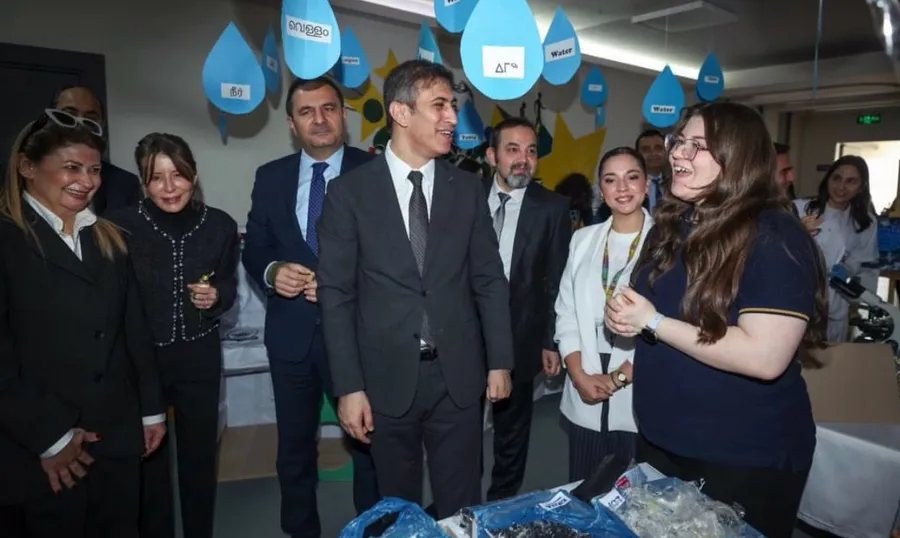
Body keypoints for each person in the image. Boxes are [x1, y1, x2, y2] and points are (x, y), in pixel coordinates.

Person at [605, 102, 827, 538]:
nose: (677, 153)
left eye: (697, 145)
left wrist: (653, 322)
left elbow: (764, 357)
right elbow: (654, 306)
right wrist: (626, 318)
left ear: (738, 157)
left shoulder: (773, 235)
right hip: (662, 440)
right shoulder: (672, 222)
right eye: (679, 141)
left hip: (741, 455)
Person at [317, 59, 514, 519]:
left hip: (457, 377)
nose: (452, 117)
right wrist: (348, 388)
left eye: (453, 106)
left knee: (462, 506)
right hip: (384, 380)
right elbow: (336, 296)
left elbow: (489, 279)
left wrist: (500, 360)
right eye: (439, 105)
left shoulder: (467, 189)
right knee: (398, 509)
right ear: (401, 112)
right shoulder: (348, 193)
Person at [0, 109, 165, 537]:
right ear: (27, 167)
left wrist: (150, 411)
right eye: (71, 168)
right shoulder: (9, 240)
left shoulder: (109, 238)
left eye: (94, 170)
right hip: (41, 446)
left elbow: (134, 330)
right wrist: (50, 437)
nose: (86, 181)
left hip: (116, 436)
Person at [241, 76, 379, 538]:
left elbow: (393, 255)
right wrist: (272, 271)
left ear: (343, 115)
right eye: (306, 112)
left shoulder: (375, 172)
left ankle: (374, 530)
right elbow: (255, 247)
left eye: (328, 109)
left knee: (369, 446)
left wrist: (344, 284)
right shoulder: (270, 177)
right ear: (291, 123)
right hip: (292, 337)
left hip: (359, 339)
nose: (319, 120)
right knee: (295, 451)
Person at [107, 133, 239, 538]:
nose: (168, 187)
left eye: (177, 175)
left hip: (199, 360)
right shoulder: (118, 226)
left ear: (193, 175)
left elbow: (229, 283)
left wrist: (217, 296)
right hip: (140, 364)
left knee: (199, 461)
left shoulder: (219, 225)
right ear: (142, 182)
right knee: (149, 462)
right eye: (156, 177)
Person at [482, 117, 571, 500]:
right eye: (513, 149)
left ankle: (501, 500)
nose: (523, 159)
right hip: (464, 334)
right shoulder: (464, 198)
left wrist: (551, 340)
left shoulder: (552, 208)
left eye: (531, 151)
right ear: (492, 156)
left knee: (512, 429)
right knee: (459, 428)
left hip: (520, 333)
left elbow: (556, 279)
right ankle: (459, 499)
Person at [555, 147, 654, 482]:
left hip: (640, 383)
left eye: (632, 177)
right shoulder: (583, 240)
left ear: (646, 184)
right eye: (611, 180)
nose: (622, 188)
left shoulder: (668, 244)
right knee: (585, 488)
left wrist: (619, 378)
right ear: (601, 189)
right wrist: (577, 374)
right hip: (585, 375)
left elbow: (669, 325)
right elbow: (566, 312)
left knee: (635, 496)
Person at [795, 155, 878, 342]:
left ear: (861, 187)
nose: (841, 187)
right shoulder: (800, 209)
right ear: (828, 179)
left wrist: (848, 268)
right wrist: (799, 231)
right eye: (837, 178)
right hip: (800, 293)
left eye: (851, 181)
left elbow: (862, 258)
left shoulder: (865, 222)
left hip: (836, 299)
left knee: (831, 352)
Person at [51, 85, 142, 215]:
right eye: (69, 116)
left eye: (90, 120)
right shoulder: (33, 176)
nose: (80, 126)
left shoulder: (125, 183)